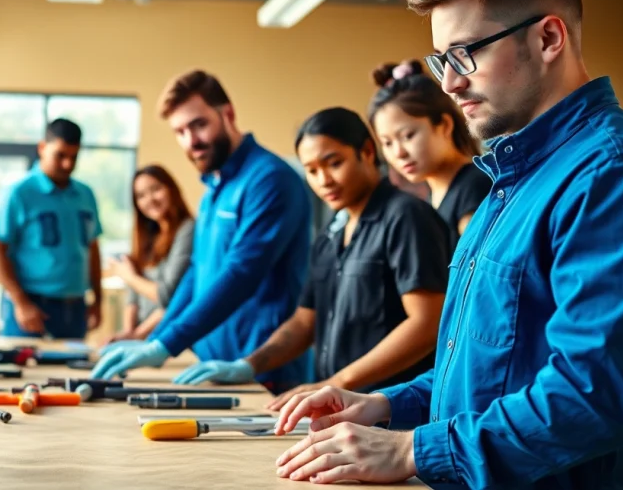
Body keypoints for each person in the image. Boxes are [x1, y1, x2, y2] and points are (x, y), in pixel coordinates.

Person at [270, 0, 623, 489]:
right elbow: (487, 373)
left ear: (549, 37)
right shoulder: (512, 179)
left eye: (465, 54)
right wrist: (384, 405)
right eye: (441, 61)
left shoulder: (616, 176)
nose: (451, 84)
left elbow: (592, 396)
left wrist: (412, 450)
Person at [173, 107, 450, 408]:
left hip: (392, 410)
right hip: (341, 408)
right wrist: (249, 365)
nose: (324, 180)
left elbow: (427, 323)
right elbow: (305, 321)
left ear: (367, 152)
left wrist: (336, 383)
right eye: (312, 170)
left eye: (334, 163)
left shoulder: (406, 217)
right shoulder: (332, 231)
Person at [91, 69, 312, 393]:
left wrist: (166, 344)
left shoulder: (269, 179)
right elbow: (196, 272)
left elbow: (242, 272)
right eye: (180, 131)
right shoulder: (213, 188)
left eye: (199, 124)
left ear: (228, 114)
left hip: (259, 369)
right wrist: (155, 340)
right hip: (209, 364)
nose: (190, 141)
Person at [0, 118, 103, 339]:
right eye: (60, 155)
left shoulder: (85, 195)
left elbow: (93, 248)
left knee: (73, 370)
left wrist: (98, 300)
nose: (68, 164)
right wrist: (21, 302)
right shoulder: (17, 193)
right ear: (42, 148)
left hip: (76, 308)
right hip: (32, 306)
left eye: (74, 157)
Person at [368, 59, 491, 249]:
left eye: (408, 136)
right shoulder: (432, 197)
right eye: (387, 143)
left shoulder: (474, 187)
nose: (398, 153)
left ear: (444, 126)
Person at [105, 165, 195, 342]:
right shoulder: (147, 236)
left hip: (168, 338)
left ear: (172, 189)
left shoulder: (188, 230)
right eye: (140, 196)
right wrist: (128, 333)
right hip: (144, 337)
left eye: (155, 189)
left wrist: (128, 276)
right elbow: (133, 295)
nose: (149, 200)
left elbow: (169, 297)